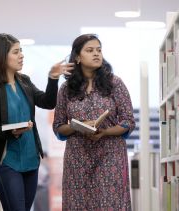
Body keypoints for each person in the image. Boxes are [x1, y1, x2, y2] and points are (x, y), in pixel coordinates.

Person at [0, 33, 73, 211]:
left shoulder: (25, 82)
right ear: (1, 56)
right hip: (5, 161)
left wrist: (53, 78)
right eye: (15, 52)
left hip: (30, 160)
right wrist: (10, 131)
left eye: (21, 51)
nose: (21, 55)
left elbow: (47, 102)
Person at [52, 34, 135, 210]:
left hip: (111, 155)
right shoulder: (66, 89)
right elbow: (58, 128)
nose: (96, 54)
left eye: (99, 50)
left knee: (110, 204)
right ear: (77, 57)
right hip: (77, 158)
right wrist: (77, 126)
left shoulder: (115, 83)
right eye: (90, 50)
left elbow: (128, 122)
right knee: (78, 205)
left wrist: (105, 132)